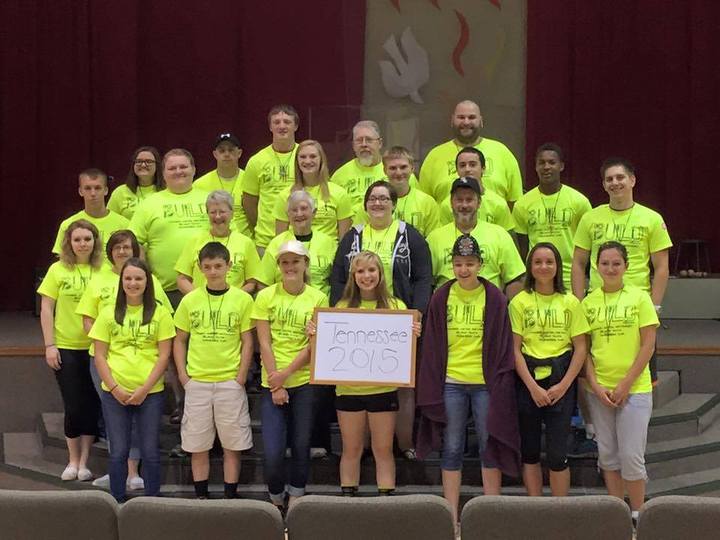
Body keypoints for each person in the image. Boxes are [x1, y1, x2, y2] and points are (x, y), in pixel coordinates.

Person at [417, 234, 520, 527]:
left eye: (470, 264)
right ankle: (450, 515)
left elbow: (502, 344)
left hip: (485, 383)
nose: (464, 269)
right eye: (459, 264)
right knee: (451, 446)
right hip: (451, 382)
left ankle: (491, 512)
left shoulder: (495, 297)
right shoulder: (442, 296)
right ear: (452, 265)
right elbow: (433, 341)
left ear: (480, 265)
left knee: (490, 443)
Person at [331, 180, 432, 459]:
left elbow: (424, 278)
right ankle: (361, 447)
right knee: (362, 385)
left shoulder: (409, 235)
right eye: (372, 199)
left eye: (383, 198)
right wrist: (339, 318)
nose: (377, 203)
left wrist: (417, 313)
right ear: (364, 205)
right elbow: (339, 278)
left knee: (402, 385)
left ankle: (405, 443)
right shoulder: (353, 236)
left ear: (394, 203)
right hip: (358, 323)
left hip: (398, 321)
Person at [312, 251, 421, 496]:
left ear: (381, 274)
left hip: (383, 390)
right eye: (360, 271)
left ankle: (385, 503)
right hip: (348, 391)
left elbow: (405, 349)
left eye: (372, 270)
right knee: (351, 449)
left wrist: (412, 332)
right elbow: (327, 346)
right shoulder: (341, 307)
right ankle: (348, 501)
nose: (366, 276)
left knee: (383, 450)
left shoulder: (396, 307)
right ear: (353, 276)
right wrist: (316, 332)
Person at [76, 229, 172, 489]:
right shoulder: (108, 313)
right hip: (114, 389)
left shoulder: (160, 313)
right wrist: (116, 388)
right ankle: (117, 501)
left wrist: (144, 389)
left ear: (147, 281)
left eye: (138, 278)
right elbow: (100, 355)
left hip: (150, 390)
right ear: (122, 282)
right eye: (128, 279)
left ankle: (153, 504)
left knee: (150, 452)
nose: (132, 283)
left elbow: (164, 355)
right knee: (117, 451)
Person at [581, 241, 658, 524]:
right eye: (605, 263)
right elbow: (584, 351)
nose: (610, 268)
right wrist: (596, 385)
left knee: (631, 456)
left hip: (634, 390)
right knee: (608, 456)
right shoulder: (588, 303)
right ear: (597, 267)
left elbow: (648, 345)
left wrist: (625, 384)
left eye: (616, 263)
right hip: (598, 391)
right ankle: (618, 515)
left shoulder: (639, 298)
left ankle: (639, 516)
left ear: (626, 266)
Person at [251, 240, 329, 512]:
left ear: (305, 264)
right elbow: (264, 343)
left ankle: (296, 496)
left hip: (304, 382)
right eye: (284, 262)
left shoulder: (318, 298)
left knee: (301, 443)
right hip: (271, 383)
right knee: (272, 451)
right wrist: (276, 381)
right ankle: (275, 496)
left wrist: (286, 374)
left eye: (295, 261)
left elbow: (313, 346)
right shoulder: (265, 297)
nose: (290, 266)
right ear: (278, 266)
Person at [174, 242, 255, 500]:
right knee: (198, 444)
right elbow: (179, 340)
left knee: (233, 444)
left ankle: (230, 496)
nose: (213, 271)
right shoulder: (190, 300)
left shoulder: (242, 300)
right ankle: (201, 496)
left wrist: (241, 375)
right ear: (199, 268)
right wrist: (184, 376)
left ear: (229, 266)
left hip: (230, 381)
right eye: (207, 267)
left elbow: (248, 341)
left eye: (218, 266)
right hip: (197, 380)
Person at [509, 242, 589, 496]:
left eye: (549, 262)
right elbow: (514, 350)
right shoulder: (519, 302)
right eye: (538, 262)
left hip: (561, 380)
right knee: (530, 452)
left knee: (557, 455)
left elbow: (580, 348)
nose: (544, 267)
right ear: (530, 267)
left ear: (557, 266)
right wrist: (533, 388)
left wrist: (563, 386)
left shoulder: (571, 303)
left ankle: (559, 512)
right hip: (528, 383)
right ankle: (535, 509)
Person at [38, 219, 104, 481]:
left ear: (95, 242)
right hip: (66, 346)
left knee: (90, 404)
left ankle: (84, 462)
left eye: (87, 239)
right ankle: (72, 460)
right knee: (73, 404)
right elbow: (46, 309)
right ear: (69, 242)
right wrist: (49, 345)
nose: (82, 244)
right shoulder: (57, 270)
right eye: (77, 239)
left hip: (97, 347)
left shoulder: (105, 270)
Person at [129, 148, 209, 306]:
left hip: (207, 289)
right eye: (172, 168)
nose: (178, 171)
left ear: (194, 170)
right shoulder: (149, 204)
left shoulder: (210, 199)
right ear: (163, 174)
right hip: (164, 293)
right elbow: (133, 242)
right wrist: (145, 274)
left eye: (183, 167)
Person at [426, 177, 525, 298]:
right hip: (447, 310)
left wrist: (507, 310)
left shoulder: (499, 235)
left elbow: (514, 279)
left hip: (489, 309)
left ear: (479, 203)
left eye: (469, 200)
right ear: (451, 202)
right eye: (459, 200)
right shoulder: (434, 238)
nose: (464, 205)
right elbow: (425, 282)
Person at [513, 143, 591, 290]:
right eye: (541, 163)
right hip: (538, 278)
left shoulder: (580, 201)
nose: (546, 167)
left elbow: (588, 245)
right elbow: (523, 248)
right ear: (535, 167)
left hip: (570, 278)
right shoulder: (522, 204)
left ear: (561, 166)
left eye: (552, 162)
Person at [419, 100, 523, 207]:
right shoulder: (435, 156)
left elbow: (515, 202)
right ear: (452, 120)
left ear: (481, 121)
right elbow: (424, 205)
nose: (466, 122)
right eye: (461, 117)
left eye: (472, 117)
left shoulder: (502, 152)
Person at [175, 190, 261, 294]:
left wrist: (233, 298)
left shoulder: (246, 243)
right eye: (213, 212)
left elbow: (252, 282)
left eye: (222, 212)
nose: (217, 216)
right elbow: (182, 279)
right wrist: (199, 298)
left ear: (232, 213)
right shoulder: (195, 241)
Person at [330, 120, 419, 221]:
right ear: (353, 145)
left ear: (380, 143)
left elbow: (417, 203)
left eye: (368, 140)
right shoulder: (340, 175)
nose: (364, 144)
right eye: (359, 140)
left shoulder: (399, 173)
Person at [243, 104, 300, 251]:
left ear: (296, 126)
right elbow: (249, 202)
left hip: (299, 237)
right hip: (266, 240)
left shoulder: (306, 156)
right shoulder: (256, 161)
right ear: (270, 127)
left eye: (287, 122)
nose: (282, 126)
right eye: (276, 122)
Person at [259, 191, 337, 298]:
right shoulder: (276, 243)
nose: (299, 214)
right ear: (287, 215)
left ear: (314, 212)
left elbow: (337, 281)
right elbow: (263, 284)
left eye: (304, 208)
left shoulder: (329, 243)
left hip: (320, 308)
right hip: (283, 306)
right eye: (294, 210)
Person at [273, 139, 353, 239]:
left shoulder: (340, 193)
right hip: (296, 252)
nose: (307, 161)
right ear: (297, 161)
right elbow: (280, 239)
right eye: (302, 157)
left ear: (321, 160)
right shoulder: (285, 196)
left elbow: (344, 240)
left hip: (328, 252)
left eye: (313, 156)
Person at [356, 146, 440, 237]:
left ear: (412, 168)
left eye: (403, 167)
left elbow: (433, 239)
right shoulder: (372, 203)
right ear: (385, 170)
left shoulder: (427, 203)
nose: (399, 173)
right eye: (393, 168)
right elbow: (356, 236)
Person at [438, 147, 515, 233]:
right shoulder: (446, 205)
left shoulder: (499, 204)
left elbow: (508, 238)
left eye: (472, 165)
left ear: (483, 168)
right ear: (457, 170)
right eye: (462, 165)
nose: (467, 169)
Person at [52, 168, 129, 255]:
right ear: (80, 191)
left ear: (106, 190)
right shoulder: (68, 225)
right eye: (88, 188)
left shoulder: (124, 225)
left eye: (98, 188)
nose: (93, 193)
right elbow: (62, 261)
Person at [194, 133, 252, 238]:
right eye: (222, 151)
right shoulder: (200, 184)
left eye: (231, 150)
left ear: (239, 153)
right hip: (212, 242)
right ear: (215, 154)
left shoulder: (250, 180)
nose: (226, 154)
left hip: (245, 242)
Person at [107, 146, 165, 219]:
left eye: (149, 161)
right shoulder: (120, 192)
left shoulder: (167, 190)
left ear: (157, 165)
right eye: (139, 161)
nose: (143, 165)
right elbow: (110, 219)